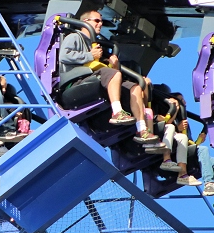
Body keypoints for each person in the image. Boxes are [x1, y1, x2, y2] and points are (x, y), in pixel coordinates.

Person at [58, 10, 157, 144]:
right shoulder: (75, 37)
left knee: (135, 87)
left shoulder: (97, 45)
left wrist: (114, 65)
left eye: (101, 21)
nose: (100, 24)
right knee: (113, 74)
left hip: (98, 76)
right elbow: (64, 56)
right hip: (77, 79)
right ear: (85, 22)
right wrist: (90, 56)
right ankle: (117, 112)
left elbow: (107, 71)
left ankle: (142, 129)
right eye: (97, 21)